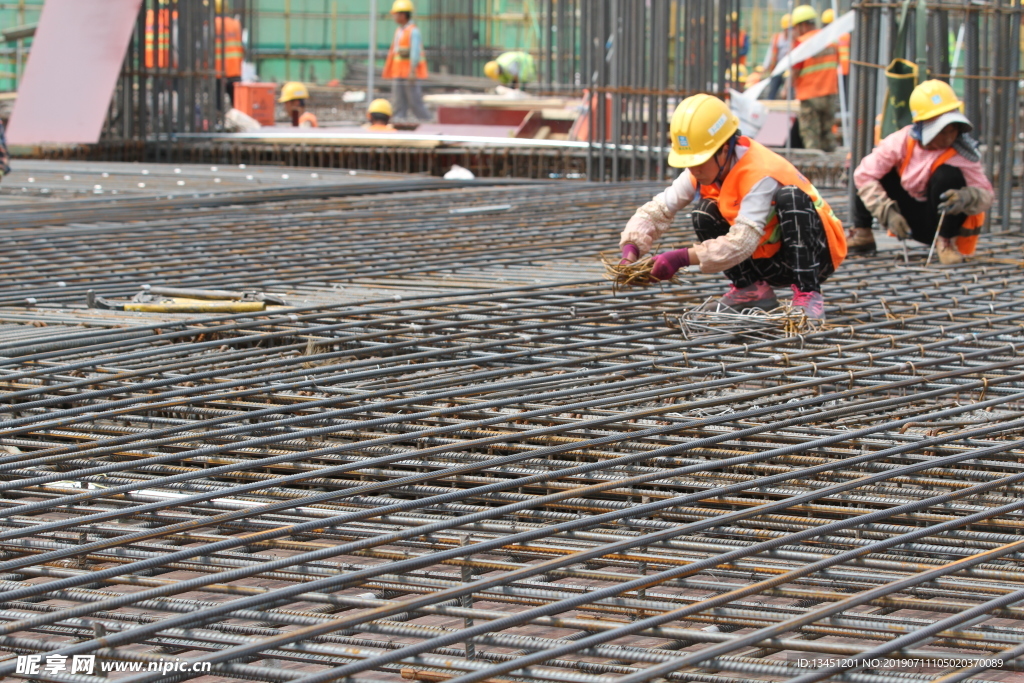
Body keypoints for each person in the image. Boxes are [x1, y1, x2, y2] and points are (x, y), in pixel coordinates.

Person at [618, 94, 846, 319]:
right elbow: (658, 209)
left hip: (815, 257)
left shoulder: (760, 173)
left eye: (699, 161)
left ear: (725, 148)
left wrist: (681, 258)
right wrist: (631, 248)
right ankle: (750, 290)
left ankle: (809, 292)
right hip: (769, 258)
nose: (694, 169)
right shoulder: (703, 169)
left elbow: (742, 242)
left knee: (790, 198)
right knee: (704, 212)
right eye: (690, 162)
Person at [850, 80, 992, 264]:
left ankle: (946, 243)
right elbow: (863, 175)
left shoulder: (961, 153)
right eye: (942, 131)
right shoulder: (902, 141)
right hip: (906, 219)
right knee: (869, 172)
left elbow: (987, 195)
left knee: (948, 175)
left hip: (939, 221)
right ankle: (862, 233)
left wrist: (966, 197)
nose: (948, 137)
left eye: (952, 130)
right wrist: (888, 212)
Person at [790, 4, 839, 152]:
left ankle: (813, 173)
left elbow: (795, 70)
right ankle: (832, 171)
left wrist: (789, 87)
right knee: (828, 134)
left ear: (802, 25)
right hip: (830, 93)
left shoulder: (801, 42)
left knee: (811, 136)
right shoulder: (829, 39)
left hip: (810, 96)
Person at [383, 0, 430, 121]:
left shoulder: (413, 31)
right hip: (398, 72)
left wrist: (413, 71)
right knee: (398, 101)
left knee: (414, 100)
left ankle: (426, 121)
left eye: (395, 14)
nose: (394, 17)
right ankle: (399, 120)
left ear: (403, 15)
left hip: (409, 73)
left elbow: (415, 52)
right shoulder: (399, 31)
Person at [214, 0, 244, 107]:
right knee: (238, 106)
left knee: (218, 106)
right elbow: (241, 46)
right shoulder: (236, 23)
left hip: (218, 72)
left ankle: (218, 122)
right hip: (235, 71)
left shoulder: (212, 24)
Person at [822, 8, 850, 101]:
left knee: (838, 95)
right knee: (844, 95)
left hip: (837, 70)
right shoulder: (845, 34)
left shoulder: (830, 37)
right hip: (844, 69)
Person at [762, 14, 791, 100]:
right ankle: (769, 105)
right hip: (777, 69)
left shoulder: (795, 39)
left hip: (790, 70)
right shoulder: (777, 38)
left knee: (791, 91)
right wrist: (765, 67)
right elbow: (770, 53)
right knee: (772, 89)